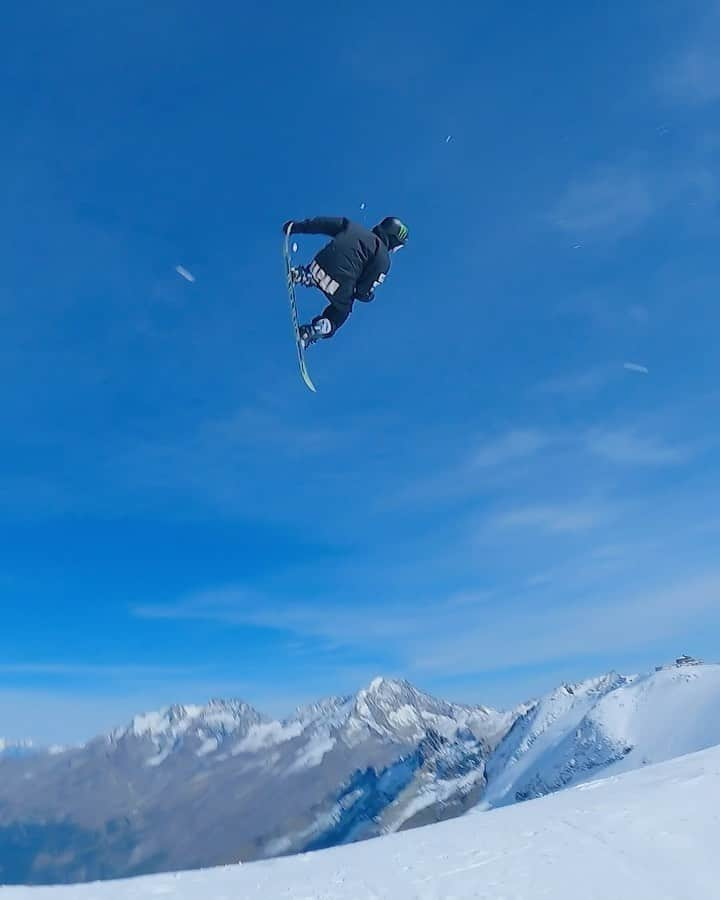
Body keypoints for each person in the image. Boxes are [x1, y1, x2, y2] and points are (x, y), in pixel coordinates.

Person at [283, 216, 409, 348]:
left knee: (325, 266)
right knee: (342, 311)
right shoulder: (383, 258)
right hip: (339, 285)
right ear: (393, 240)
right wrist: (368, 296)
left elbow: (322, 224)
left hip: (319, 265)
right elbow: (363, 290)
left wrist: (296, 227)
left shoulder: (352, 227)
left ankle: (305, 275)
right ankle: (316, 329)